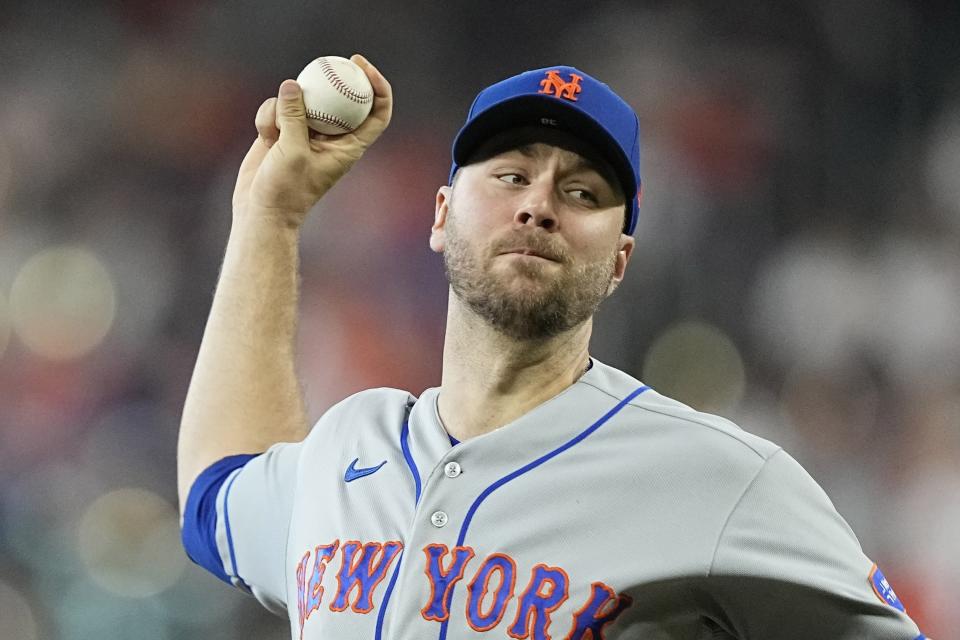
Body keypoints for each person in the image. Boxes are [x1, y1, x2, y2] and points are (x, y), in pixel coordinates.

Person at [177, 54, 929, 640]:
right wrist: (269, 218)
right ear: (441, 215)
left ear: (621, 261)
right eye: (509, 175)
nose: (537, 204)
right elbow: (216, 493)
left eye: (582, 193)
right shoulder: (350, 446)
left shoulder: (722, 479)